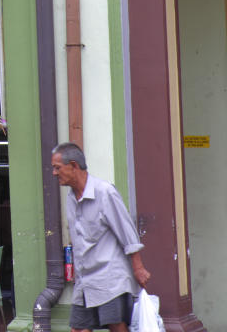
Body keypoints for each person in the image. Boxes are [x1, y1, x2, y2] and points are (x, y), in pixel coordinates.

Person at [51, 142, 151, 332]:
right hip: (85, 280)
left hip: (110, 277)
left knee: (117, 326)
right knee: (79, 327)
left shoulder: (104, 192)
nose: (54, 173)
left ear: (73, 165)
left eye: (57, 168)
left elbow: (127, 231)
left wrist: (138, 267)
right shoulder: (71, 198)